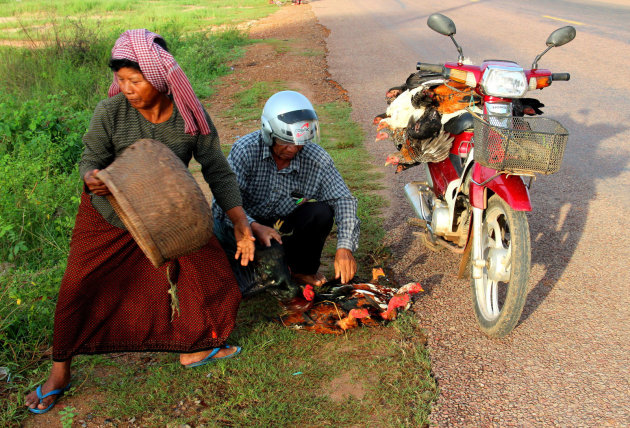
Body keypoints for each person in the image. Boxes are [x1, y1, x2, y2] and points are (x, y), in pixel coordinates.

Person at [24, 29, 255, 414]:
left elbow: (217, 169)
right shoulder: (110, 113)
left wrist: (240, 221)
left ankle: (196, 348)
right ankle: (60, 372)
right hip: (108, 215)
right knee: (77, 285)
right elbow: (88, 159)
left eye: (136, 79)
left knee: (210, 270)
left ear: (161, 79)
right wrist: (91, 177)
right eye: (121, 79)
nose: (126, 88)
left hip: (166, 214)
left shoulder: (189, 114)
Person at [213, 91, 359, 296]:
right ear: (268, 133)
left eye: (299, 142)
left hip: (280, 228)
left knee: (321, 212)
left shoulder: (316, 159)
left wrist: (344, 248)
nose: (293, 149)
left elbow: (344, 200)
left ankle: (301, 271)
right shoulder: (245, 150)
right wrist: (252, 226)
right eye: (285, 142)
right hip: (242, 227)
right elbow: (223, 204)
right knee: (247, 277)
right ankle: (265, 264)